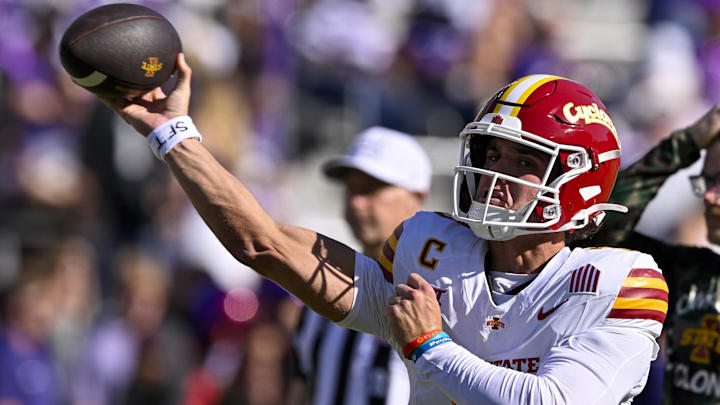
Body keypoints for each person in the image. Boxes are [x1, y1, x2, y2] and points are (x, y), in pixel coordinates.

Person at [97, 55, 667, 404]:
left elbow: (551, 403)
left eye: (521, 161)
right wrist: (173, 135)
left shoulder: (618, 282)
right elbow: (264, 243)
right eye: (490, 154)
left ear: (578, 180)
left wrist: (431, 346)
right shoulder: (432, 248)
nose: (494, 174)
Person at [578, 105, 720, 404]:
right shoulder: (691, 273)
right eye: (707, 181)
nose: (709, 196)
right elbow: (598, 231)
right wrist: (686, 143)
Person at [289, 126, 431, 405]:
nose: (355, 202)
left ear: (417, 197)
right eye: (351, 189)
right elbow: (301, 389)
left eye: (371, 189)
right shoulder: (321, 291)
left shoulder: (442, 296)